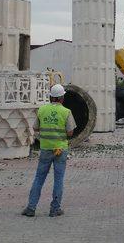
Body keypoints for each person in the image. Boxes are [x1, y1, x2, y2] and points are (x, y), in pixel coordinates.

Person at [22, 84, 76, 218]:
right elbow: (70, 132)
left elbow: (35, 128)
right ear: (62, 98)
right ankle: (55, 209)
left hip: (45, 149)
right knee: (58, 180)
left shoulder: (42, 110)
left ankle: (31, 208)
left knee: (39, 178)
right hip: (60, 149)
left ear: (51, 97)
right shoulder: (66, 112)